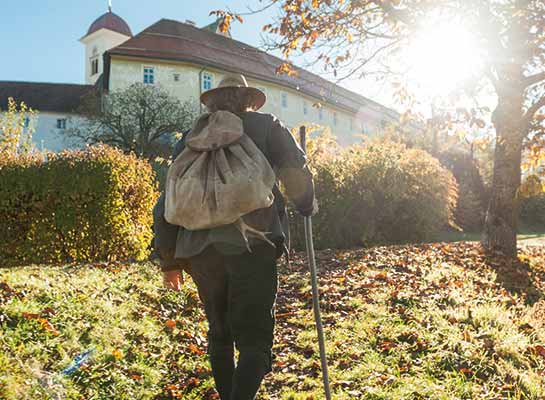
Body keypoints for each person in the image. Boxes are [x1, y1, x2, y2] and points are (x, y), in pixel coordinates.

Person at [153, 74, 315, 400]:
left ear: (213, 102)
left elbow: (167, 199)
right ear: (248, 100)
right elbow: (294, 173)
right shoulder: (267, 125)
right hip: (253, 244)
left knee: (220, 334)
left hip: (199, 251)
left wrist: (169, 259)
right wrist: (306, 204)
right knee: (255, 341)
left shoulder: (190, 137)